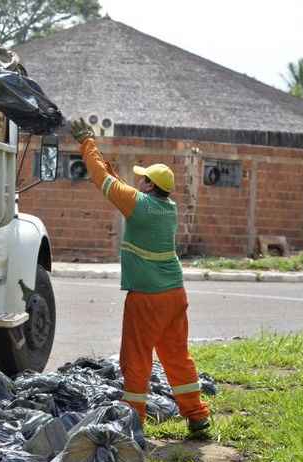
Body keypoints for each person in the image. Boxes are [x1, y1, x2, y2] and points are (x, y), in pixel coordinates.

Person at [70, 118, 210, 433]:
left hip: (146, 297)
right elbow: (116, 182)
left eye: (142, 179)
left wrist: (87, 143)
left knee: (135, 357)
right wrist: (105, 160)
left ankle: (134, 421)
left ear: (149, 186)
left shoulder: (138, 205)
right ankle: (197, 415)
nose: (138, 182)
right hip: (175, 294)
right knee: (177, 356)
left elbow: (101, 179)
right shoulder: (167, 207)